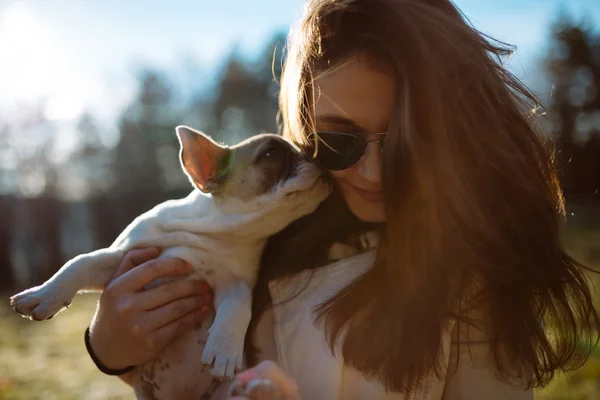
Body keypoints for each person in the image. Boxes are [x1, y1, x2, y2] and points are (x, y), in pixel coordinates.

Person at [87, 0, 600, 399]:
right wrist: (110, 348)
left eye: (403, 143)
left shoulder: (472, 282)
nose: (371, 171)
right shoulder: (263, 229)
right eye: (340, 141)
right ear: (305, 125)